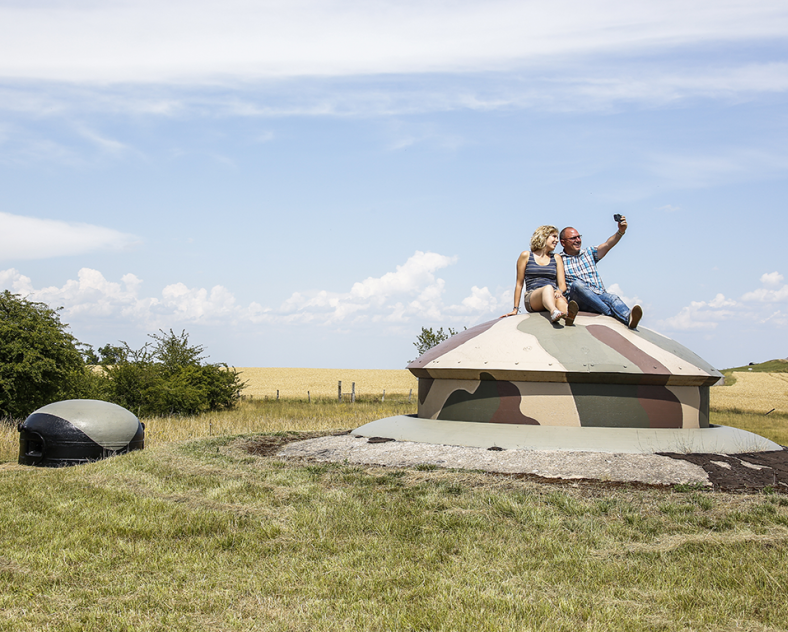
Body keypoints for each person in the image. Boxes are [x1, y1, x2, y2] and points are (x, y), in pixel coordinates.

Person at [559, 216, 643, 329]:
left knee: (612, 297)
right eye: (573, 238)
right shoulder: (559, 259)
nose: (578, 240)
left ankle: (628, 317)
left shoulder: (589, 252)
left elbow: (608, 244)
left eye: (579, 237)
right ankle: (610, 314)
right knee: (577, 285)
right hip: (579, 300)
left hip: (598, 295)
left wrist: (620, 232)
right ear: (563, 242)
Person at [501, 225, 580, 325]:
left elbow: (562, 284)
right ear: (543, 236)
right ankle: (554, 312)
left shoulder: (556, 258)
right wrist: (515, 309)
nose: (557, 240)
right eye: (554, 236)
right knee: (548, 288)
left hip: (553, 294)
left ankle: (567, 316)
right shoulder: (526, 256)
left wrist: (559, 291)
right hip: (533, 297)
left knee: (560, 299)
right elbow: (519, 284)